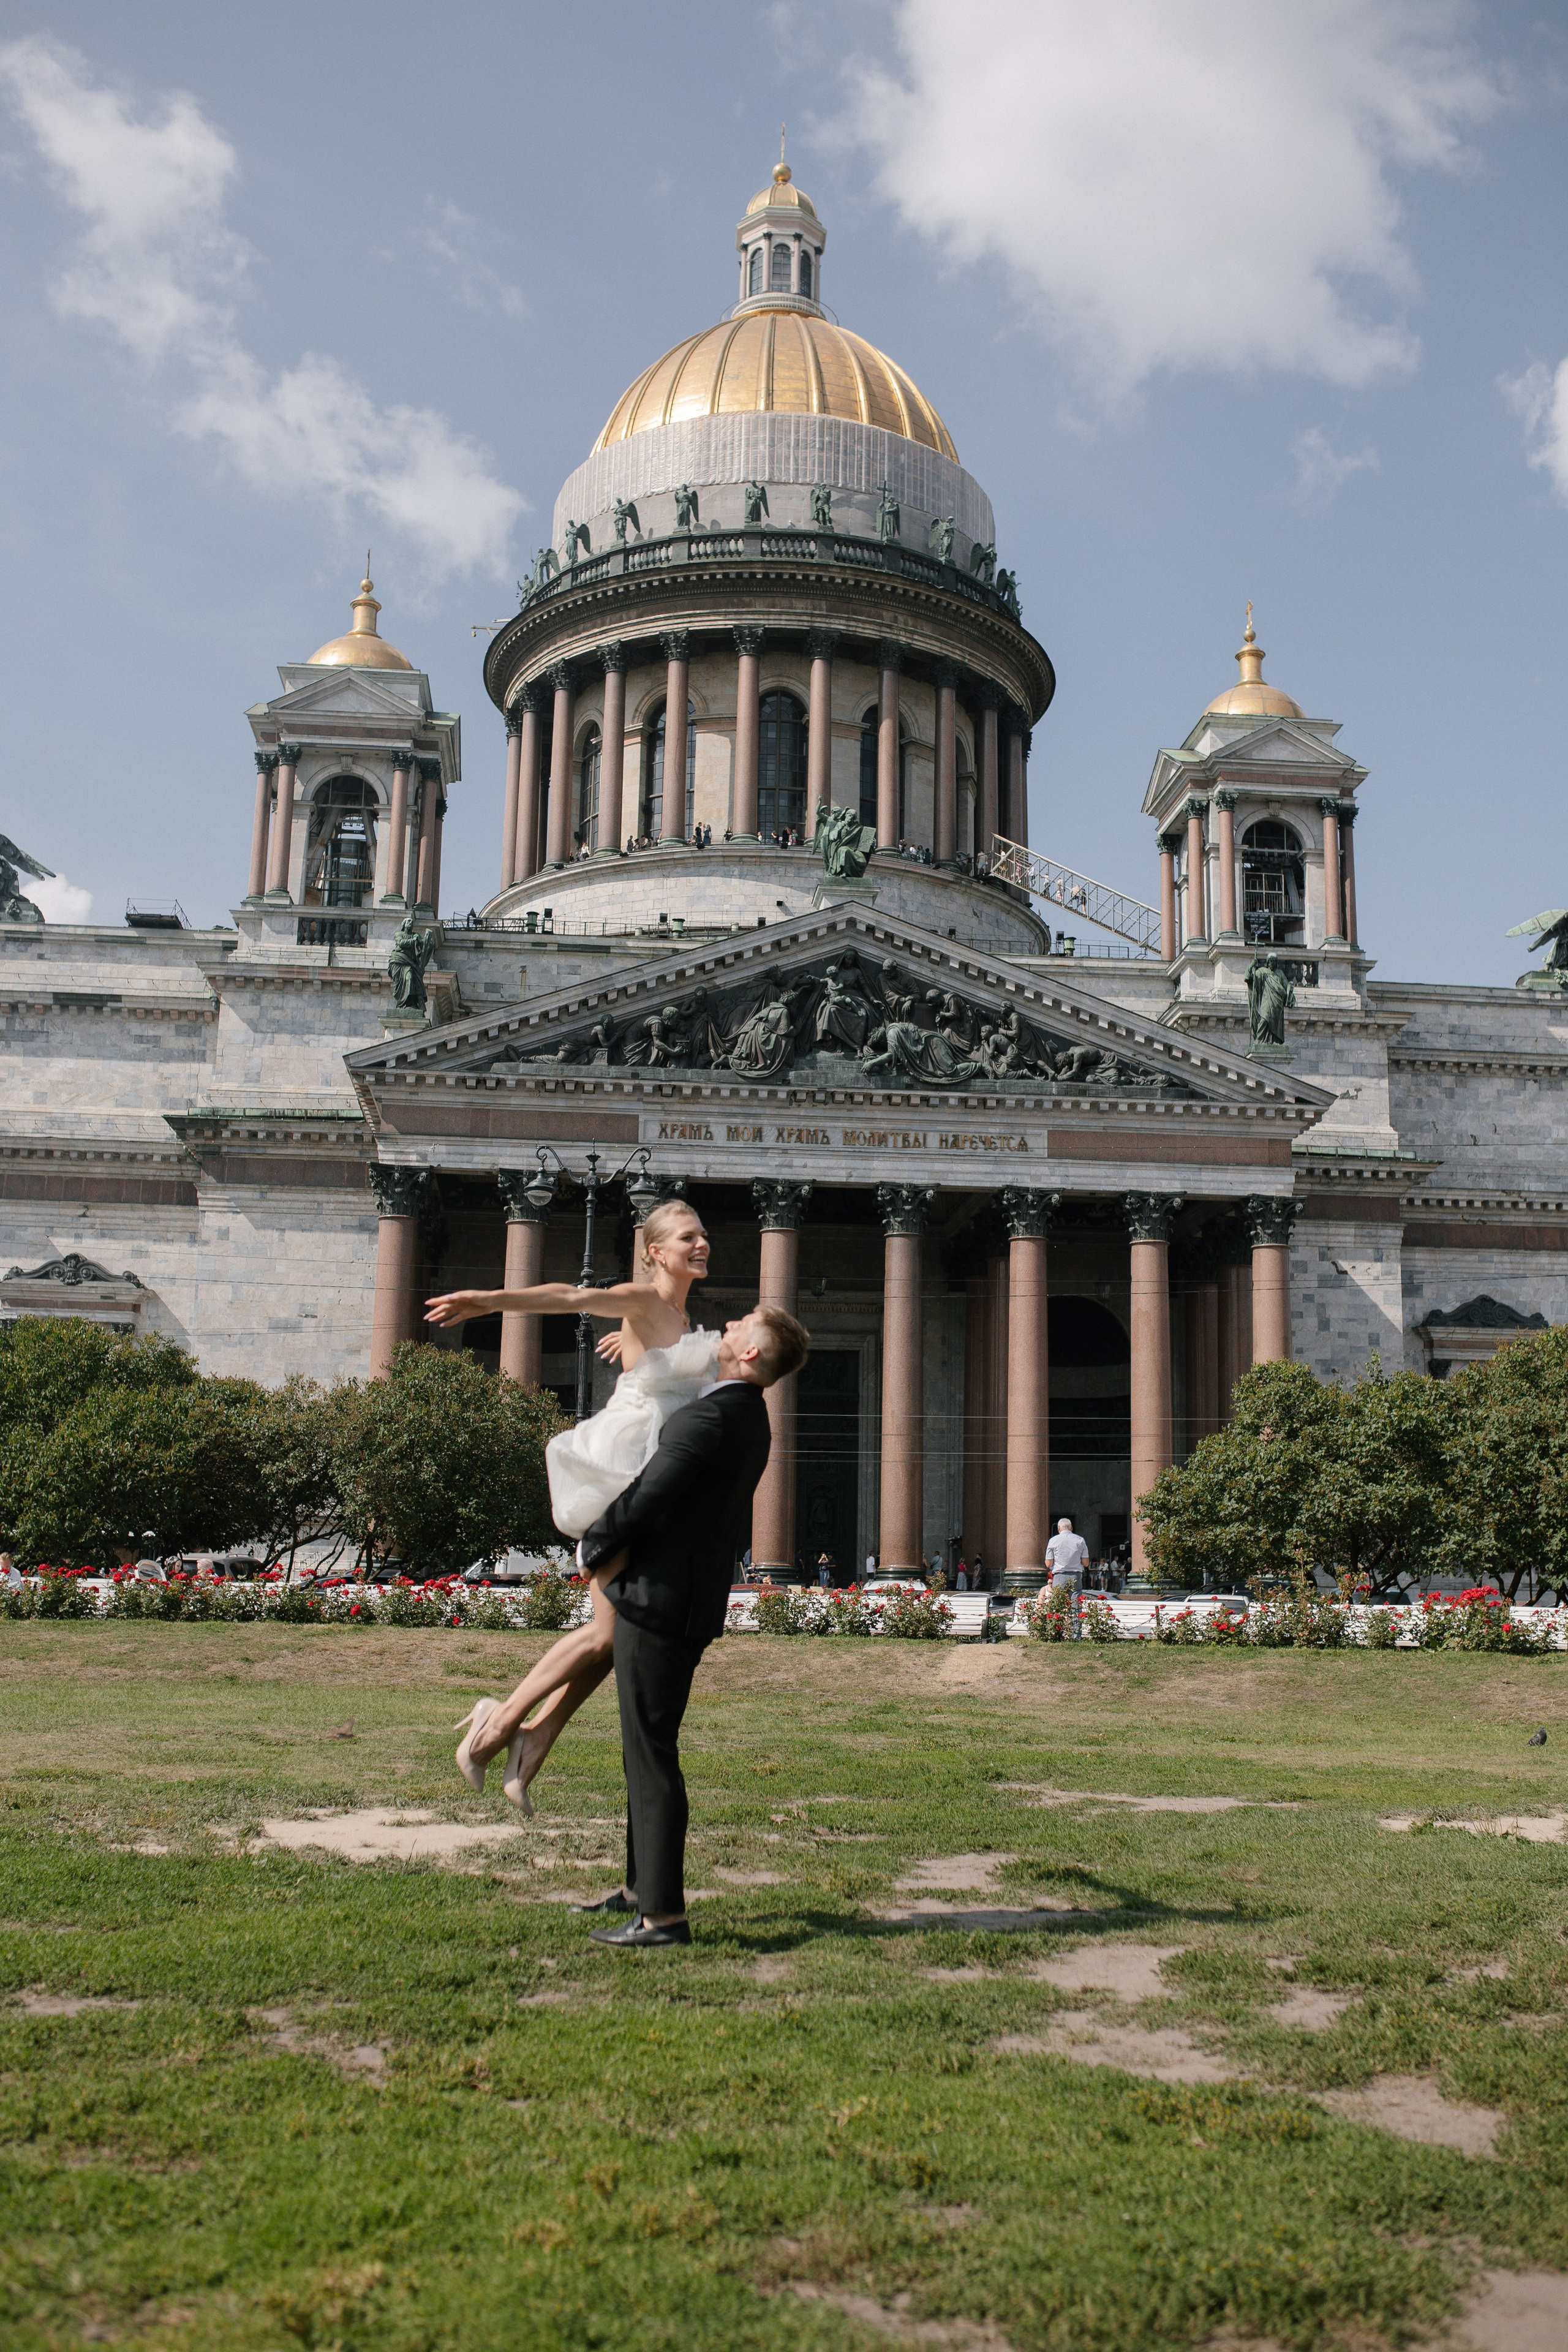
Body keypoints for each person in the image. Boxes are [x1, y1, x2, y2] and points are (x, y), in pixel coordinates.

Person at [424, 1200, 715, 1811]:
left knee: (614, 1636)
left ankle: (530, 1740)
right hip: (622, 1478)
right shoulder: (643, 1298)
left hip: (656, 1487)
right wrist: (490, 1299)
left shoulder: (677, 1320)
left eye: (703, 1235)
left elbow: (661, 1360)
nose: (702, 1244)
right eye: (688, 1237)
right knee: (609, 1634)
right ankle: (498, 1725)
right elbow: (570, 1296)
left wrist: (632, 1342)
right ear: (656, 1251)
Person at [573, 1303, 810, 1947]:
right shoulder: (742, 1416)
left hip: (659, 1601)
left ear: (753, 1354)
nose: (728, 1325)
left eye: (742, 1325)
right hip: (680, 1599)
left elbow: (651, 1494)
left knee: (651, 1757)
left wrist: (591, 1546)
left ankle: (663, 1917)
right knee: (643, 1752)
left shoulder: (711, 1416)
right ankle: (636, 1889)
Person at [1046, 1517, 1090, 1637]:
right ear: (1071, 1528)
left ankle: (1055, 1633)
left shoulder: (1053, 1540)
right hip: (1076, 1575)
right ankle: (1076, 1636)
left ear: (1058, 1528)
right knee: (1076, 1606)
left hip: (1059, 1575)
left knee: (1057, 1604)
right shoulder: (1080, 1540)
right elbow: (1086, 1563)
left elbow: (1048, 1564)